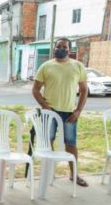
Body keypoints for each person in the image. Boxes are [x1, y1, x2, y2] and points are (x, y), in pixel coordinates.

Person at [32, 37, 89, 187]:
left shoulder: (78, 66)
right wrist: (45, 106)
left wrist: (78, 111)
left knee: (70, 143)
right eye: (58, 46)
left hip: (70, 113)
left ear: (70, 50)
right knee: (48, 142)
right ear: (54, 48)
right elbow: (35, 90)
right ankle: (50, 173)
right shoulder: (46, 66)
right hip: (50, 112)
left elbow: (84, 90)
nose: (61, 49)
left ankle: (74, 174)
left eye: (64, 47)